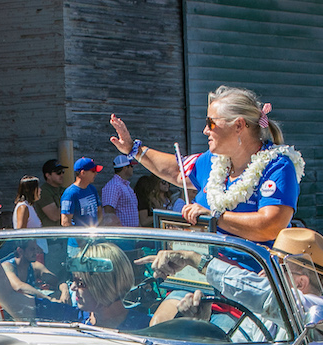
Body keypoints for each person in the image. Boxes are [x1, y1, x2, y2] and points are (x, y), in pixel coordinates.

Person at [109, 86, 302, 245]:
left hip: (251, 280)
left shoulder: (277, 166)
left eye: (211, 123)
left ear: (238, 125)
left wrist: (214, 217)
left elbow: (270, 226)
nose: (204, 131)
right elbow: (177, 170)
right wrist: (133, 149)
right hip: (202, 273)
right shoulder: (212, 160)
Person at [145, 227, 323, 345]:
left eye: (275, 270)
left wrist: (197, 260)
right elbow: (240, 344)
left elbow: (267, 296)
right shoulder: (279, 308)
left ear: (300, 282)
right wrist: (203, 323)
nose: (263, 274)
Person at [0, 198, 148, 330]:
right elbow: (6, 296)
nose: (72, 287)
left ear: (103, 284)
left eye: (80, 283)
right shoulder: (71, 317)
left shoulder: (146, 327)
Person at [60, 157, 102, 229]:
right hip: (78, 238)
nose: (96, 173)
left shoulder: (92, 189)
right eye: (93, 171)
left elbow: (99, 211)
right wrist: (79, 238)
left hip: (93, 237)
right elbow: (65, 222)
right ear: (83, 173)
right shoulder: (70, 194)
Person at [12, 176, 49, 255]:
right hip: (33, 254)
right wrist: (35, 249)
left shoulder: (29, 206)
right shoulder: (23, 207)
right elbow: (21, 232)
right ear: (31, 190)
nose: (40, 190)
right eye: (37, 187)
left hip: (38, 252)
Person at [102, 155, 140, 226]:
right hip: (122, 233)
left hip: (129, 233)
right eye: (131, 166)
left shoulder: (126, 186)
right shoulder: (113, 185)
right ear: (125, 168)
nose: (132, 169)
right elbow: (108, 210)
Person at [34, 159, 67, 228]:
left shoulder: (64, 190)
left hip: (63, 232)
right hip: (50, 234)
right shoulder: (43, 192)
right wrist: (71, 207)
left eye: (62, 172)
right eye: (58, 172)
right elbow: (54, 216)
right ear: (48, 175)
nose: (61, 175)